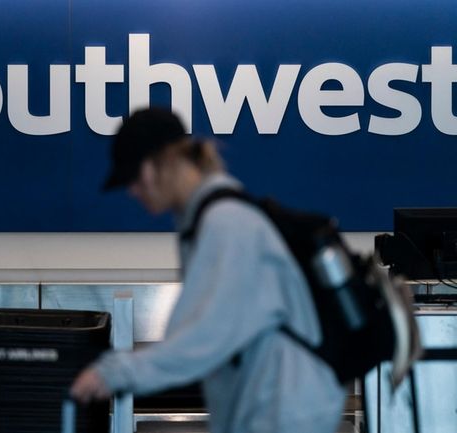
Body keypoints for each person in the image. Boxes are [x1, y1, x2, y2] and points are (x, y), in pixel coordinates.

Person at [70, 107, 346, 433]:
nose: (133, 190)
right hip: (267, 406)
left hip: (283, 412)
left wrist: (113, 373)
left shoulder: (225, 223)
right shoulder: (205, 218)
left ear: (164, 163)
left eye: (135, 176)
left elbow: (202, 338)